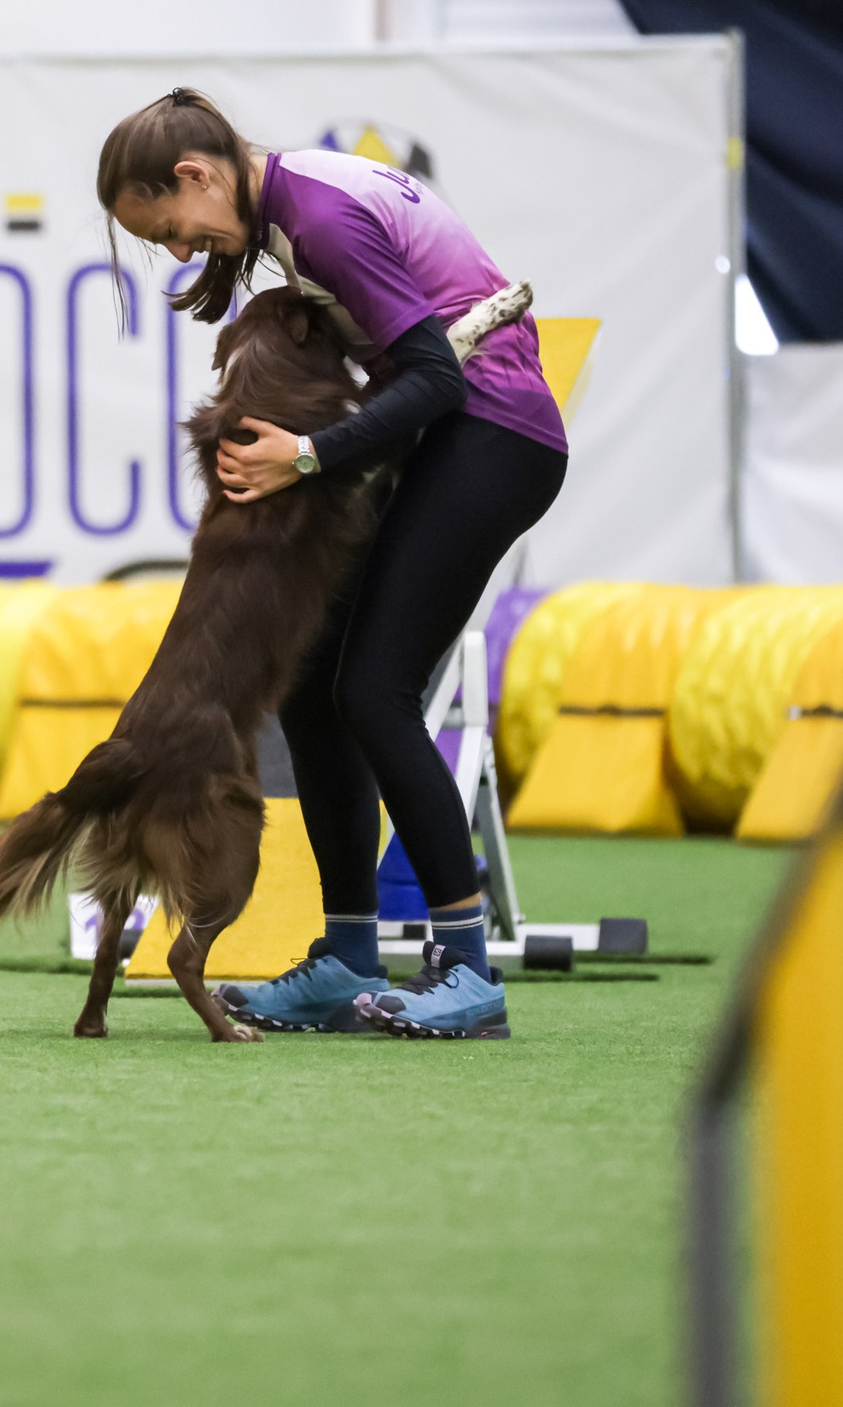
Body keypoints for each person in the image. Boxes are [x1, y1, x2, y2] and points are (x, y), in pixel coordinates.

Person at [96, 88, 567, 1039]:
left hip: (496, 435)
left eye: (171, 229)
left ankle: (467, 969)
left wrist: (306, 457)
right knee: (313, 684)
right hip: (451, 437)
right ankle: (348, 958)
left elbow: (436, 375)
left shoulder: (317, 218)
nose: (182, 254)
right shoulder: (286, 213)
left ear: (195, 174)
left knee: (377, 691)